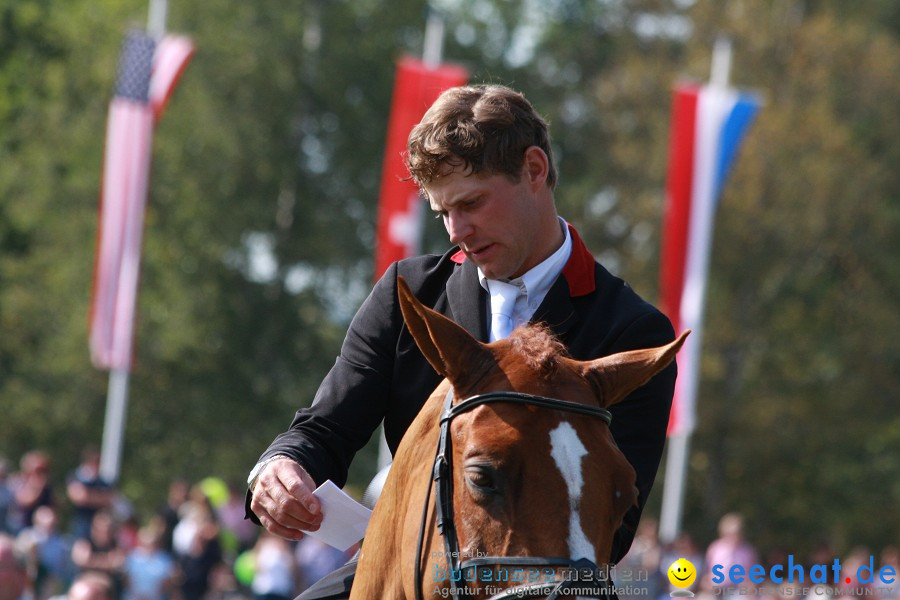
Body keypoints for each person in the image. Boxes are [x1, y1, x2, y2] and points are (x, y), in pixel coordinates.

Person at [246, 84, 677, 598]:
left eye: (471, 203)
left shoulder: (632, 331)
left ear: (534, 170)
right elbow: (326, 428)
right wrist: (279, 467)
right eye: (442, 212)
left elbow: (617, 525)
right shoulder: (405, 294)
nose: (456, 230)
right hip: (399, 573)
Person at [65, 448, 115, 542]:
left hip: (100, 525)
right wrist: (99, 497)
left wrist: (88, 495)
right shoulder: (75, 476)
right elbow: (79, 497)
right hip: (82, 522)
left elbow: (110, 499)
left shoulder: (103, 481)